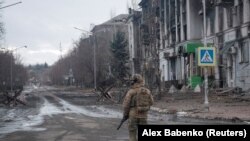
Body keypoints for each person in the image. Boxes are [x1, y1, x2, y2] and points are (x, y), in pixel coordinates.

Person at [122, 74, 154, 141]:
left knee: (132, 134)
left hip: (133, 114)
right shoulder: (147, 91)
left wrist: (125, 115)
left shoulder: (131, 91)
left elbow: (126, 105)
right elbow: (152, 102)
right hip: (144, 115)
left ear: (133, 82)